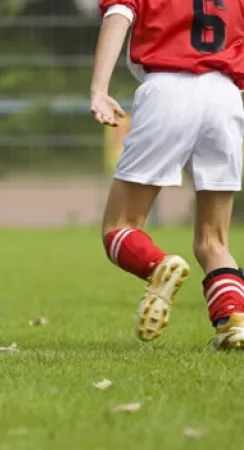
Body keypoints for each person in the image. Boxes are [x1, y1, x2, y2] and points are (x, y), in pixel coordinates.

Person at [91, 0, 244, 349]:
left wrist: (99, 89)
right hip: (226, 95)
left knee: (119, 226)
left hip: (168, 88)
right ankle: (234, 323)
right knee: (214, 240)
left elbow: (118, 17)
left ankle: (159, 265)